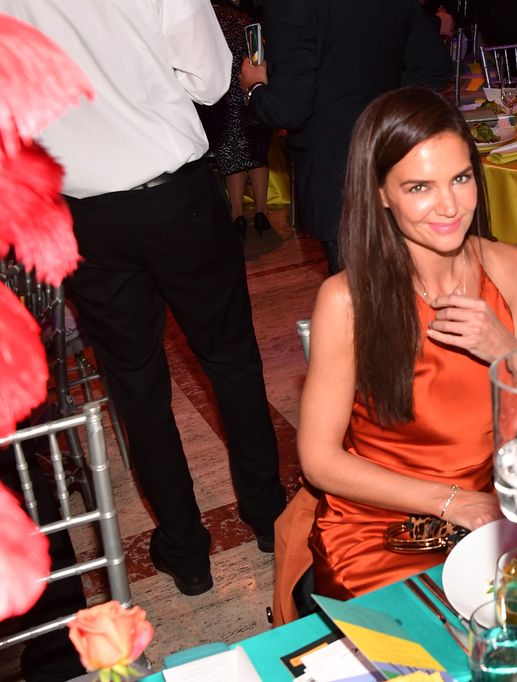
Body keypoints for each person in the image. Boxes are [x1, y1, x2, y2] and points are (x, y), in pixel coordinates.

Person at [0, 0, 287, 596]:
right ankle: (268, 517)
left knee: (137, 388)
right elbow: (210, 83)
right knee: (230, 359)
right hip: (174, 197)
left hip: (82, 214)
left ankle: (185, 552)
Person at [297, 88, 517, 599]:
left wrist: (506, 351)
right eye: (419, 187)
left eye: (460, 178)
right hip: (381, 529)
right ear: (382, 192)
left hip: (494, 508)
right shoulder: (346, 301)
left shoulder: (508, 266)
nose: (449, 205)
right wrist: (451, 500)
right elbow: (319, 459)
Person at [241, 0, 452, 275]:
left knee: (361, 299)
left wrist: (253, 87)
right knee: (406, 284)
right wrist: (385, 111)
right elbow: (434, 68)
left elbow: (288, 109)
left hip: (337, 174)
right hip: (395, 157)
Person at [198, 0, 274, 238]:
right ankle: (262, 211)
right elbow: (258, 57)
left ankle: (237, 214)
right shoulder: (247, 19)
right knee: (257, 154)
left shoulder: (206, 20)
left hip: (222, 99)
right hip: (251, 94)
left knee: (232, 157)